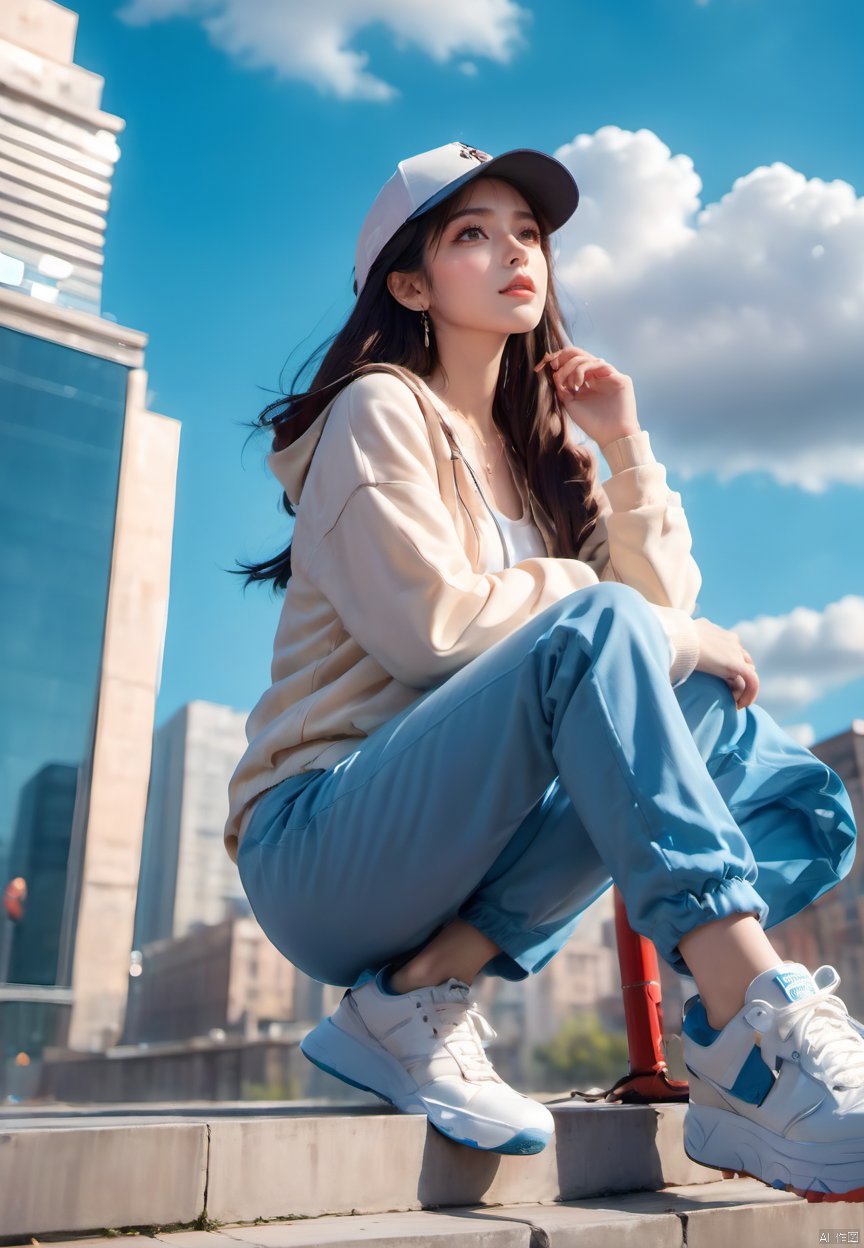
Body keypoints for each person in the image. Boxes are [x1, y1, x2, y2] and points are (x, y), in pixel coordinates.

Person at [226, 141, 862, 1199]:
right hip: (321, 844)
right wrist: (649, 624)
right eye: (471, 233)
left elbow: (662, 634)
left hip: (452, 859)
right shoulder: (379, 407)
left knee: (775, 776)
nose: (516, 251)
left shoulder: (538, 460)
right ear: (410, 283)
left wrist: (623, 448)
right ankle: (753, 1030)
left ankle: (429, 988)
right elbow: (429, 633)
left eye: (528, 233)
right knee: (623, 635)